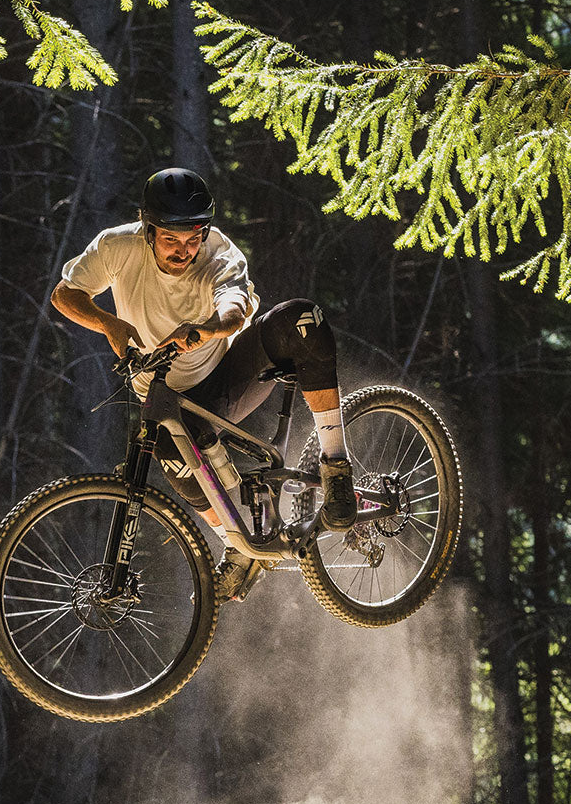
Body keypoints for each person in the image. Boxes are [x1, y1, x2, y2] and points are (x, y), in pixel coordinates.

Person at [50, 168, 357, 552]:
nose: (183, 251)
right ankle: (237, 550)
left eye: (193, 239)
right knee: (170, 454)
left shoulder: (218, 253)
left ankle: (336, 465)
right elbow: (65, 294)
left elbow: (234, 310)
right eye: (170, 240)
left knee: (302, 318)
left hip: (226, 374)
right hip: (165, 395)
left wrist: (207, 329)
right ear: (147, 229)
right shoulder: (117, 246)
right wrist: (107, 323)